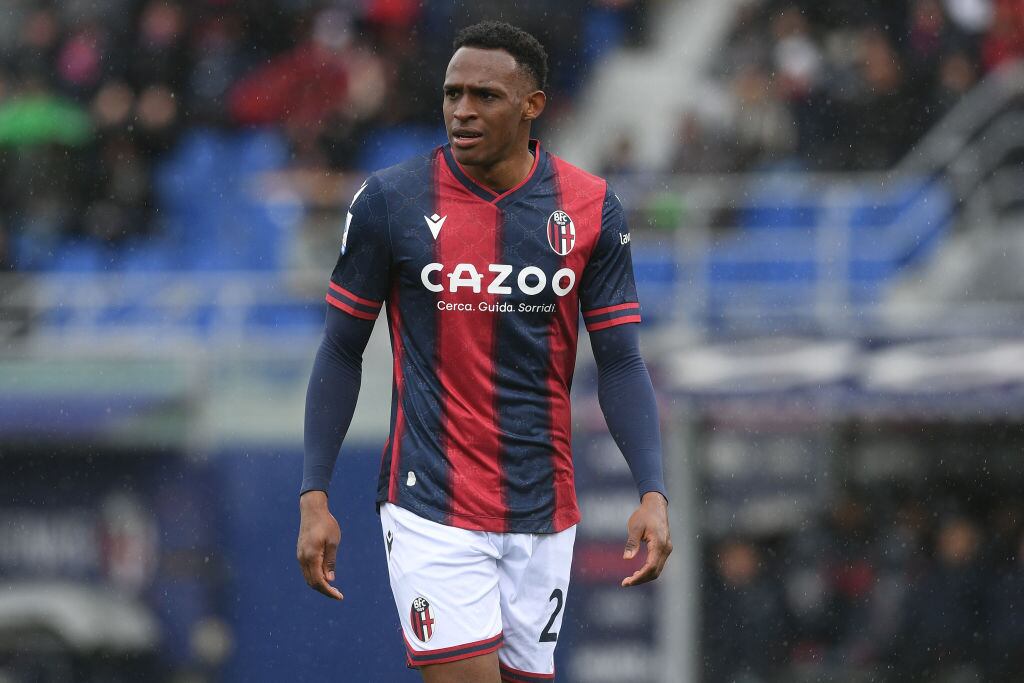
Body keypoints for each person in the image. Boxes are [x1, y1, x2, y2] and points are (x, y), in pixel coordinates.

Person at [296, 20, 671, 683]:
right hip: (431, 500)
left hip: (543, 506)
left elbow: (620, 360)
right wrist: (314, 493)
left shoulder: (590, 208)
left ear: (532, 105)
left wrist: (653, 488)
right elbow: (341, 349)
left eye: (485, 96)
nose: (462, 110)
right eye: (453, 93)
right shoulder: (391, 201)